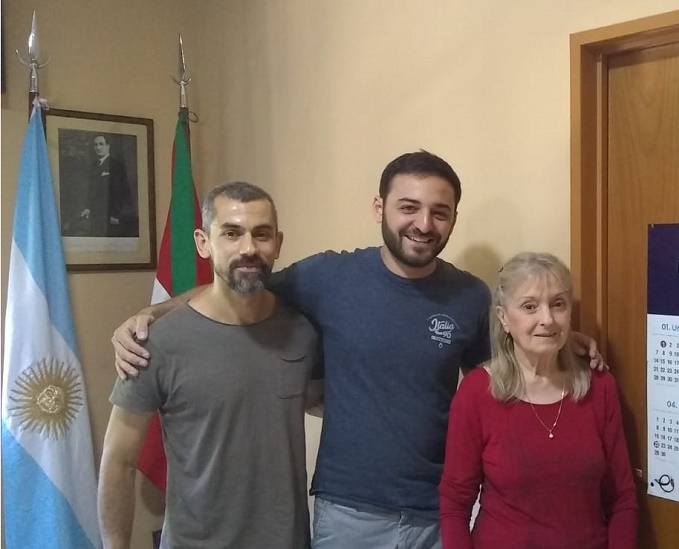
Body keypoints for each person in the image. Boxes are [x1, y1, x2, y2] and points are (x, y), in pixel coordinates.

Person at [112, 151, 604, 549]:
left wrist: (560, 339)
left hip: (439, 511)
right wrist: (153, 314)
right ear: (380, 209)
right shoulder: (328, 277)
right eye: (408, 207)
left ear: (454, 217)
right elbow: (241, 281)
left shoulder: (472, 297)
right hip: (347, 514)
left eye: (440, 211)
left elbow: (505, 380)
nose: (424, 223)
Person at [99, 181, 321, 549]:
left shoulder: (302, 332)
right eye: (231, 233)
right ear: (203, 242)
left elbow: (314, 398)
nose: (248, 248)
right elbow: (118, 460)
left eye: (261, 234)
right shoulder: (156, 342)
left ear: (278, 243)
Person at [439, 252, 637, 549]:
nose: (547, 319)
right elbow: (455, 503)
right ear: (504, 318)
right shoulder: (477, 393)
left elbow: (622, 498)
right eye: (529, 306)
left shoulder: (599, 387)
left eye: (558, 304)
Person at [80, 134, 137, 237]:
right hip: (96, 216)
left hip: (112, 216)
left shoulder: (116, 165)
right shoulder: (93, 166)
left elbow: (122, 192)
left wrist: (116, 215)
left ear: (108, 146)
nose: (98, 147)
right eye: (95, 145)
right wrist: (88, 208)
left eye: (101, 144)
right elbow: (91, 190)